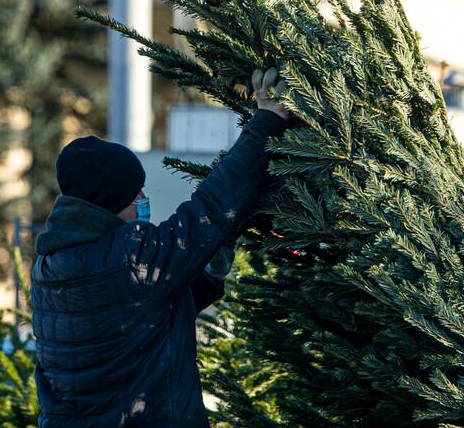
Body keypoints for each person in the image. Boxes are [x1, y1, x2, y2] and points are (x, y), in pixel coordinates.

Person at [31, 68, 290, 427]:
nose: (142, 198)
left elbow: (154, 310)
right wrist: (266, 120)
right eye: (134, 192)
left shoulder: (49, 267)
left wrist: (217, 249)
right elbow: (211, 211)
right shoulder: (129, 259)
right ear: (110, 200)